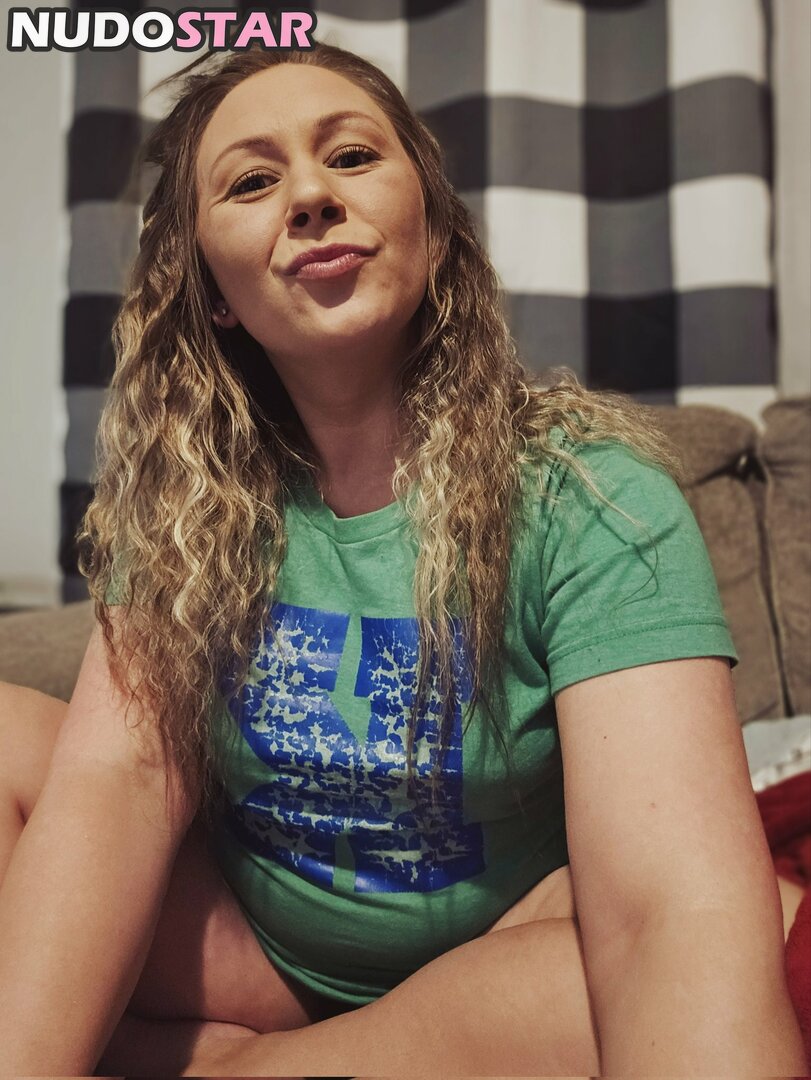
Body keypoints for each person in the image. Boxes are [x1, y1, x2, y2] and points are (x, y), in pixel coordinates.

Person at [0, 41, 806, 1077]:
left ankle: (243, 1064)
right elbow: (117, 782)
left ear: (432, 232)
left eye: (350, 157)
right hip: (256, 951)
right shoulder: (180, 506)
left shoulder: (591, 496)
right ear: (212, 292)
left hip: (499, 958)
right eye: (251, 181)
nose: (309, 196)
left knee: (709, 951)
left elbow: (665, 917)